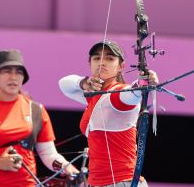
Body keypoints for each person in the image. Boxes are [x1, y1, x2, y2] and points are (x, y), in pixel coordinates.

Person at [0, 49, 79, 187]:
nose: (13, 77)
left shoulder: (36, 110)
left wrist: (66, 166)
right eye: (7, 71)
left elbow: (48, 154)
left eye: (19, 72)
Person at [58, 40, 159, 187]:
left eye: (110, 58)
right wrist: (84, 83)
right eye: (96, 58)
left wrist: (141, 83)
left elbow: (131, 93)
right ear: (90, 63)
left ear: (121, 67)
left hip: (122, 182)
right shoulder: (94, 96)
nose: (102, 63)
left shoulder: (117, 95)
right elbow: (64, 84)